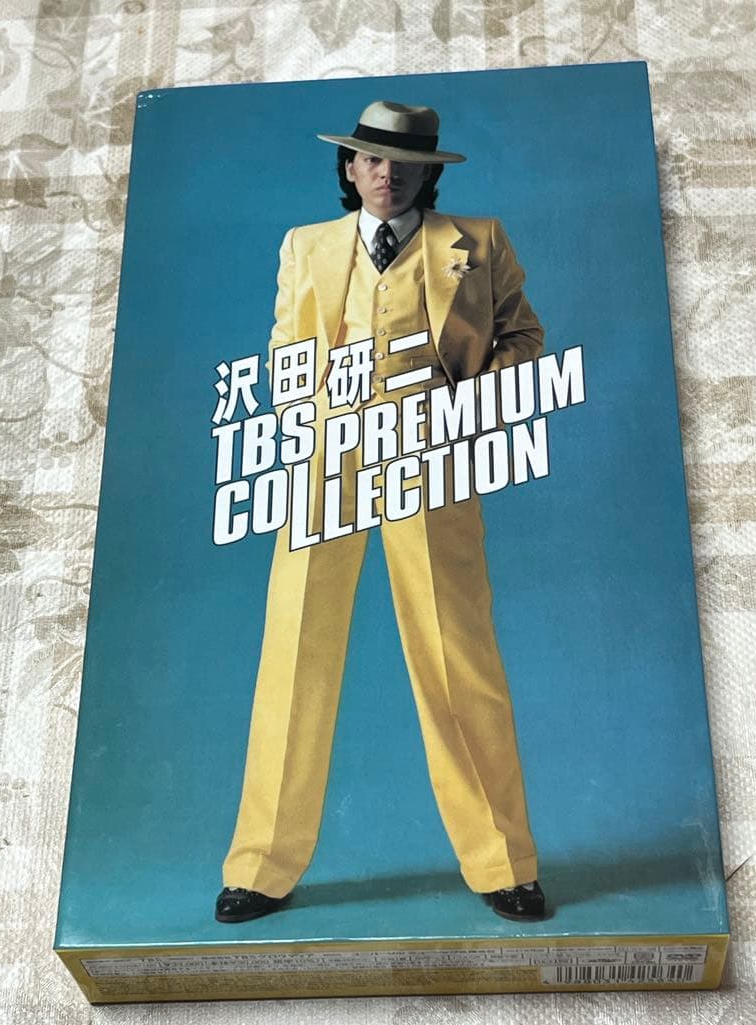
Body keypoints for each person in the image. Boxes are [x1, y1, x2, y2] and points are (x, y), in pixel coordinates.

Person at [216, 101, 546, 924]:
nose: (385, 173)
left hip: (431, 456)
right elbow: (285, 348)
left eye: (402, 162)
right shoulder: (307, 246)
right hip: (324, 459)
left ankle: (504, 862)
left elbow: (522, 338)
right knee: (295, 650)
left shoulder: (478, 241)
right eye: (369, 159)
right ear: (349, 168)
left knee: (457, 652)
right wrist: (308, 418)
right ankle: (259, 865)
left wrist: (465, 404)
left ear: (428, 172)